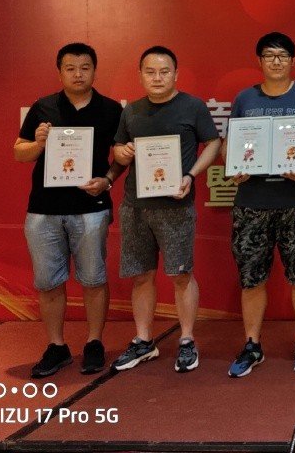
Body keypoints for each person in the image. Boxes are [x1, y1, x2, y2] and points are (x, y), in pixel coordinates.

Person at [224, 33, 295, 377]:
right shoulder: (245, 98)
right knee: (251, 277)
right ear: (259, 60)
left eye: (283, 55)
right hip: (252, 202)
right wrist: (234, 167)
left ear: (293, 61)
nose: (276, 61)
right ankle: (252, 344)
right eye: (269, 55)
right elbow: (230, 145)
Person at [14, 43, 124, 377]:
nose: (78, 74)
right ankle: (56, 346)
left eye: (85, 67)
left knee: (93, 279)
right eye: (70, 68)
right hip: (44, 210)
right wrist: (39, 143)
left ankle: (94, 342)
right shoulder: (43, 107)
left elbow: (122, 156)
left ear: (95, 70)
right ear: (60, 71)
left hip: (91, 208)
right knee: (48, 282)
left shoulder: (111, 110)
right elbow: (19, 152)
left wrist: (107, 180)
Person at [111, 46, 221, 373]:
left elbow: (213, 143)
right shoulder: (131, 111)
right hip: (135, 206)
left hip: (176, 205)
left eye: (164, 72)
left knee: (180, 274)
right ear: (140, 75)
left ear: (176, 74)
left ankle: (186, 339)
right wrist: (121, 152)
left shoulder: (193, 106)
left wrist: (191, 175)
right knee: (142, 275)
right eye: (150, 72)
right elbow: (118, 149)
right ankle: (144, 341)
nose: (157, 78)